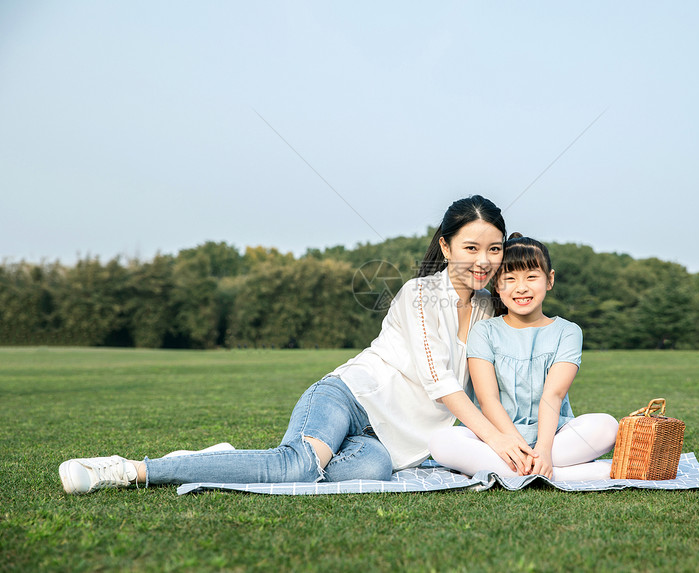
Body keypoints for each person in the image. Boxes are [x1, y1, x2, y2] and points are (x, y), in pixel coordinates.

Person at [59, 195, 538, 494]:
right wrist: (497, 439)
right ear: (446, 246)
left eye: (493, 249)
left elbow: (501, 382)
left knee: (368, 474)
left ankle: (219, 458)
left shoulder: (486, 312)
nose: (483, 260)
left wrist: (533, 436)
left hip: (387, 444)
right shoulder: (418, 294)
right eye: (471, 247)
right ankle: (132, 470)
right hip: (350, 397)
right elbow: (441, 384)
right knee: (297, 467)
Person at [429, 234, 618, 481]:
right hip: (496, 439)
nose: (521, 287)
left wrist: (543, 449)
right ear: (496, 285)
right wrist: (514, 445)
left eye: (531, 277)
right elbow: (488, 400)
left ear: (549, 280)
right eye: (509, 279)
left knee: (607, 426)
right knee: (441, 441)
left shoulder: (568, 331)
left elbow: (554, 395)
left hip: (553, 435)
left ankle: (521, 470)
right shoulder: (484, 331)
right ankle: (557, 475)